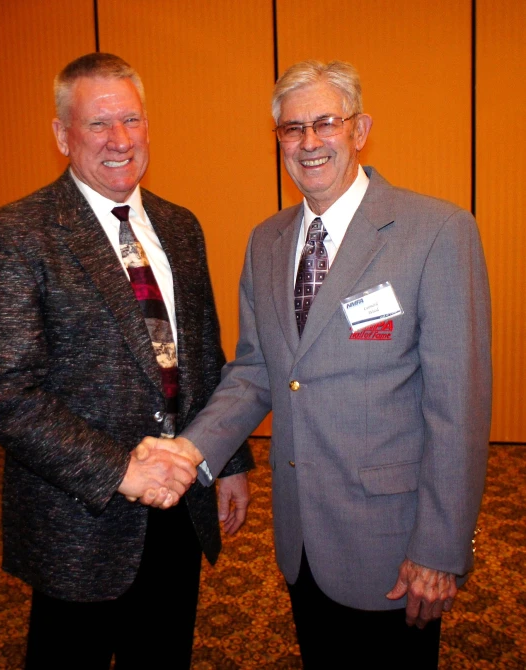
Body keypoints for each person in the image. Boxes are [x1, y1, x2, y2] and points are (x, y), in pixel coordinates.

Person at [141, 60, 491, 668]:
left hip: (396, 539)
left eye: (325, 122)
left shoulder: (437, 231)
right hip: (302, 534)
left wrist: (440, 547)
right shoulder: (267, 240)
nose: (308, 142)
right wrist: (190, 451)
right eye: (291, 128)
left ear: (360, 129)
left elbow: (459, 406)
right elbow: (255, 371)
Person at [0, 52, 253, 670]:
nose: (119, 140)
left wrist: (229, 460)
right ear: (62, 135)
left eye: (131, 120)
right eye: (98, 124)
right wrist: (121, 470)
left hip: (180, 503)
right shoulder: (17, 233)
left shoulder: (180, 227)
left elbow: (204, 357)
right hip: (80, 514)